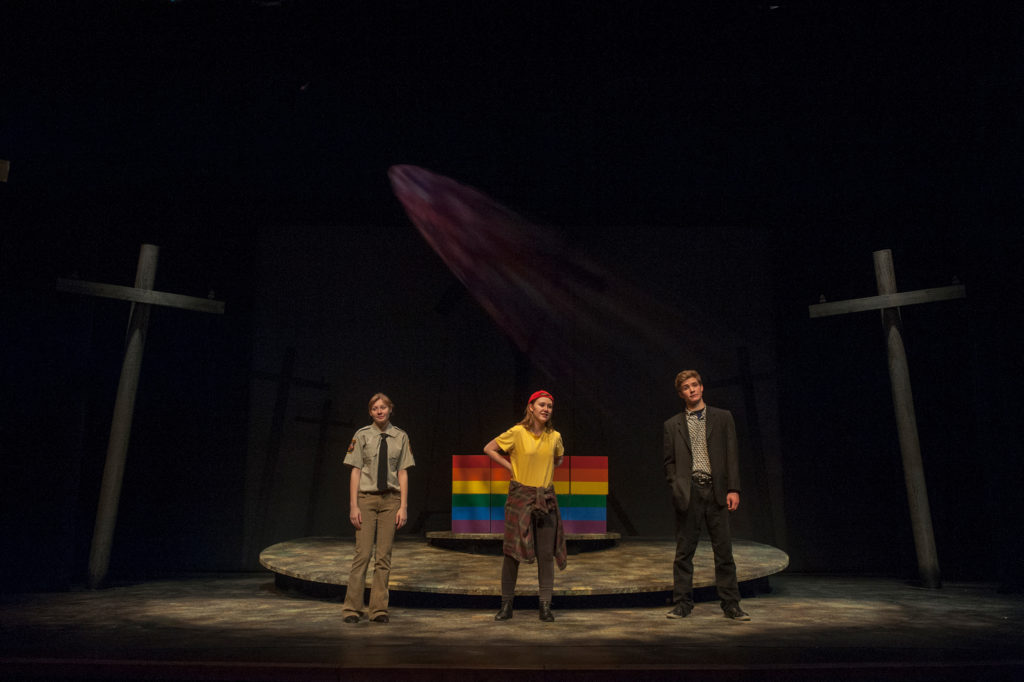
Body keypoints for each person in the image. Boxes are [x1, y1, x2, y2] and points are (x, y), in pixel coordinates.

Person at [662, 370, 750, 621]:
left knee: (723, 551)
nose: (692, 390)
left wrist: (733, 488)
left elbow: (731, 454)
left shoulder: (722, 418)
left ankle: (731, 605)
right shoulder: (672, 425)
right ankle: (682, 604)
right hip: (689, 492)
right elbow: (668, 461)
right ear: (681, 394)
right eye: (686, 388)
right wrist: (676, 484)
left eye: (695, 385)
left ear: (701, 387)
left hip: (717, 491)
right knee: (684, 553)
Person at [483, 390, 567, 622]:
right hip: (520, 496)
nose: (546, 409)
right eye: (541, 404)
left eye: (549, 406)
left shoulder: (555, 436)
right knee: (512, 553)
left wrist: (545, 473)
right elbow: (489, 448)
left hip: (545, 498)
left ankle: (545, 605)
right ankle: (506, 605)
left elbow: (558, 458)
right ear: (531, 407)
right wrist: (510, 467)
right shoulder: (517, 433)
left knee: (546, 555)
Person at [341, 393, 415, 624]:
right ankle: (352, 609)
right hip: (367, 499)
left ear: (390, 409)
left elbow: (402, 472)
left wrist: (403, 506)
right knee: (362, 554)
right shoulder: (362, 435)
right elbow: (355, 470)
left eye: (383, 407)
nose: (379, 411)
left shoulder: (400, 437)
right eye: (375, 408)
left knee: (383, 557)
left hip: (390, 500)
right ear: (370, 412)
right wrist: (354, 505)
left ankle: (378, 609)